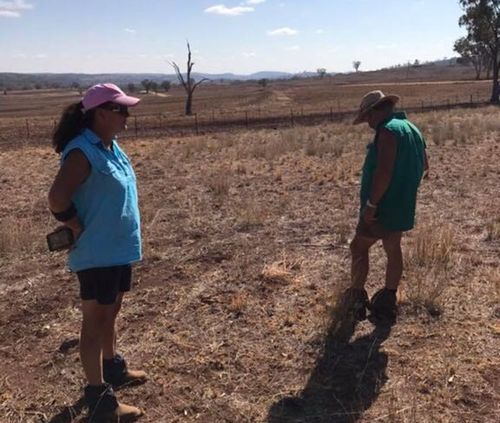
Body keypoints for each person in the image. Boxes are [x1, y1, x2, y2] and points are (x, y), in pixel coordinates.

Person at [48, 83, 146, 422]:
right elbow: (57, 199)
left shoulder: (111, 146)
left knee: (112, 311)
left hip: (117, 249)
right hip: (97, 253)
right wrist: (73, 224)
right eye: (120, 110)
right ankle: (100, 401)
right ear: (101, 113)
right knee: (95, 321)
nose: (126, 115)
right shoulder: (81, 152)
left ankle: (112, 367)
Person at [343, 90, 429, 322]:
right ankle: (388, 299)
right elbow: (425, 165)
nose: (368, 124)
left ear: (376, 111)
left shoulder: (388, 131)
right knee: (393, 248)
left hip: (382, 206)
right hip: (402, 203)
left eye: (368, 118)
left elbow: (383, 172)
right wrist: (406, 190)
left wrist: (372, 205)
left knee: (358, 247)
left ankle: (356, 298)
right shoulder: (412, 129)